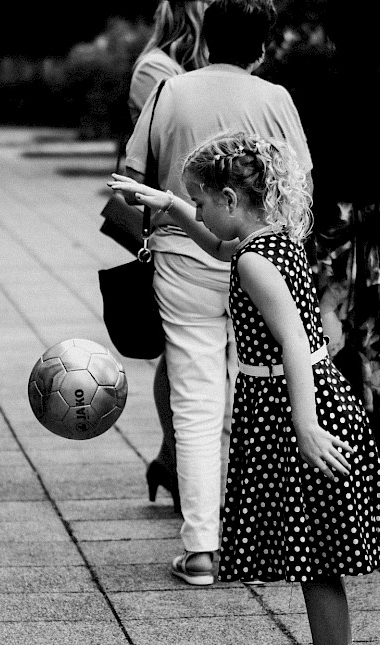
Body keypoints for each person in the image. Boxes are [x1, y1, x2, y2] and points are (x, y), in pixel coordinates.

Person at [109, 131, 380, 645]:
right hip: (308, 395)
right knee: (317, 547)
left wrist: (305, 425)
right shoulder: (272, 241)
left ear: (231, 199)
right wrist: (166, 205)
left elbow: (293, 342)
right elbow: (217, 245)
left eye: (202, 199)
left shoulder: (254, 262)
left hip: (294, 402)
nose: (204, 212)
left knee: (312, 553)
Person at [123, 0, 311, 586]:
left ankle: (203, 548)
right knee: (264, 393)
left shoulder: (170, 93)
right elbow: (303, 183)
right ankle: (269, 539)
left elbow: (133, 179)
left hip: (183, 258)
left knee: (196, 401)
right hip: (261, 259)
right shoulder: (276, 98)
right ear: (261, 48)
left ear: (204, 41)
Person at [268, 0, 380, 500]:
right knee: (378, 350)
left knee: (327, 350)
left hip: (328, 233)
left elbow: (306, 165)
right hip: (377, 236)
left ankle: (329, 472)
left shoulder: (319, 85)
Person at [127, 0, 210, 513]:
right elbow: (169, 150)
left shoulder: (196, 67)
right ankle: (177, 460)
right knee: (177, 352)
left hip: (209, 221)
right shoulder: (156, 71)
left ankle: (171, 459)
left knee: (187, 355)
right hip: (174, 221)